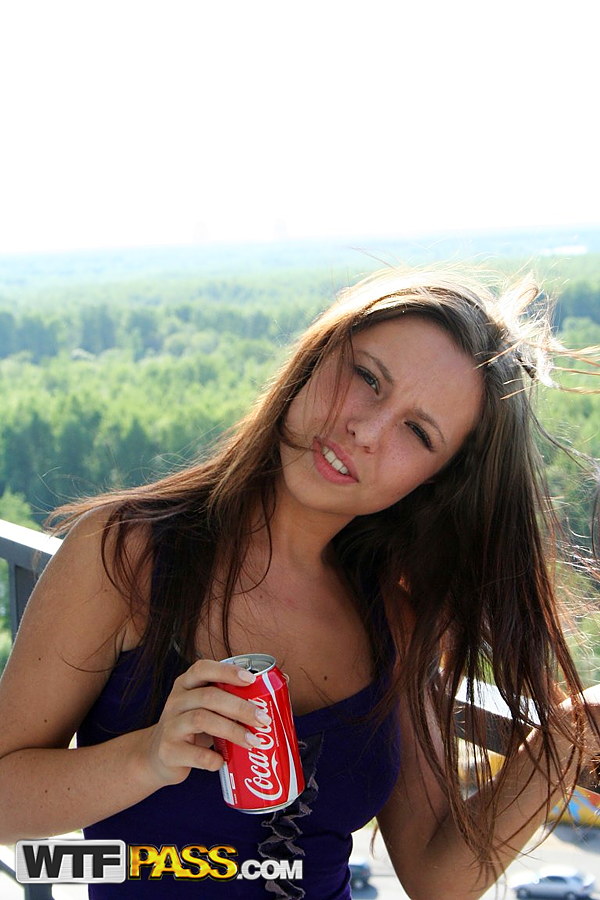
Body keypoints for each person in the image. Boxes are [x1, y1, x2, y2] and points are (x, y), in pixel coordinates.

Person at [0, 266, 599, 900]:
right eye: (367, 377)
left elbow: (436, 875)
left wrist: (565, 735)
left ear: (433, 481)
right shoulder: (128, 555)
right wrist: (147, 758)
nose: (366, 430)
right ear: (315, 358)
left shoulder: (392, 618)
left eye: (417, 432)